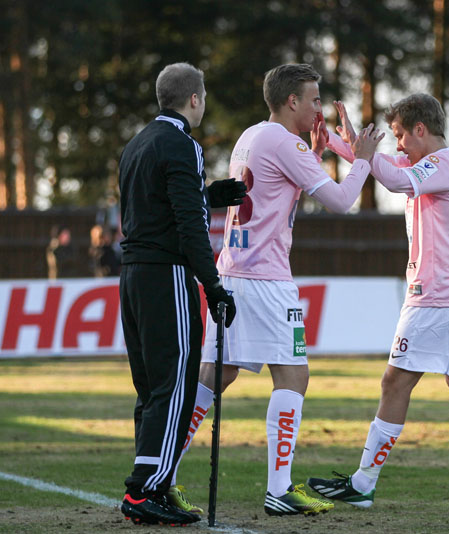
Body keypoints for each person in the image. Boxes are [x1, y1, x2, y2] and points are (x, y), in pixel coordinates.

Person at [169, 63, 384, 517]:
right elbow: (343, 202)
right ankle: (279, 489)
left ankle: (161, 474)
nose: (319, 107)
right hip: (266, 281)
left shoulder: (254, 135)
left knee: (214, 376)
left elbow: (277, 184)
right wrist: (361, 156)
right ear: (292, 102)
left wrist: (315, 151)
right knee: (293, 376)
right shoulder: (284, 143)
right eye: (314, 99)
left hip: (233, 272)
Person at [307, 94, 449, 511]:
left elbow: (391, 177)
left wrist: (358, 152)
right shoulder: (442, 164)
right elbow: (384, 165)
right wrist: (336, 140)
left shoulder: (441, 166)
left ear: (421, 129)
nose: (398, 143)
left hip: (436, 298)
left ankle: (364, 482)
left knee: (395, 382)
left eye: (401, 135)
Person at [117, 62, 242, 526]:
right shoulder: (183, 144)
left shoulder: (137, 144)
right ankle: (144, 490)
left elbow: (153, 207)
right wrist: (213, 286)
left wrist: (206, 193)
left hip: (132, 276)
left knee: (151, 388)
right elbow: (189, 226)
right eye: (204, 96)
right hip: (165, 274)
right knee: (174, 386)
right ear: (194, 99)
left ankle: (155, 483)